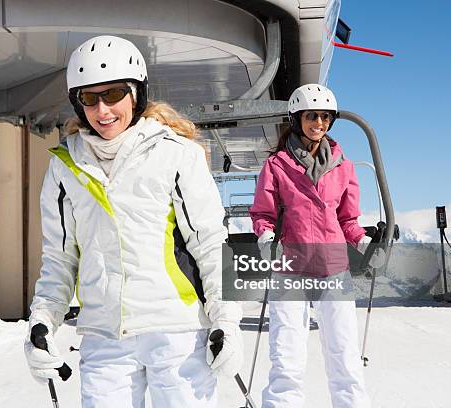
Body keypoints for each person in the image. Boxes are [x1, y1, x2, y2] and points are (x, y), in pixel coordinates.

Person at [24, 35, 243, 407]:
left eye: (113, 95)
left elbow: (209, 242)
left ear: (137, 94)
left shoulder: (176, 154)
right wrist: (42, 319)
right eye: (89, 98)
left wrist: (226, 318)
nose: (102, 110)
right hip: (104, 336)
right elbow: (61, 257)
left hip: (177, 330)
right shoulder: (65, 166)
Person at [250, 84, 378, 407]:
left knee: (345, 356)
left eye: (324, 117)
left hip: (333, 266)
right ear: (297, 119)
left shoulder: (342, 166)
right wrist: (266, 237)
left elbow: (348, 220)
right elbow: (263, 213)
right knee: (287, 358)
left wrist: (363, 241)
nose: (318, 123)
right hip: (291, 268)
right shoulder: (277, 166)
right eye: (311, 116)